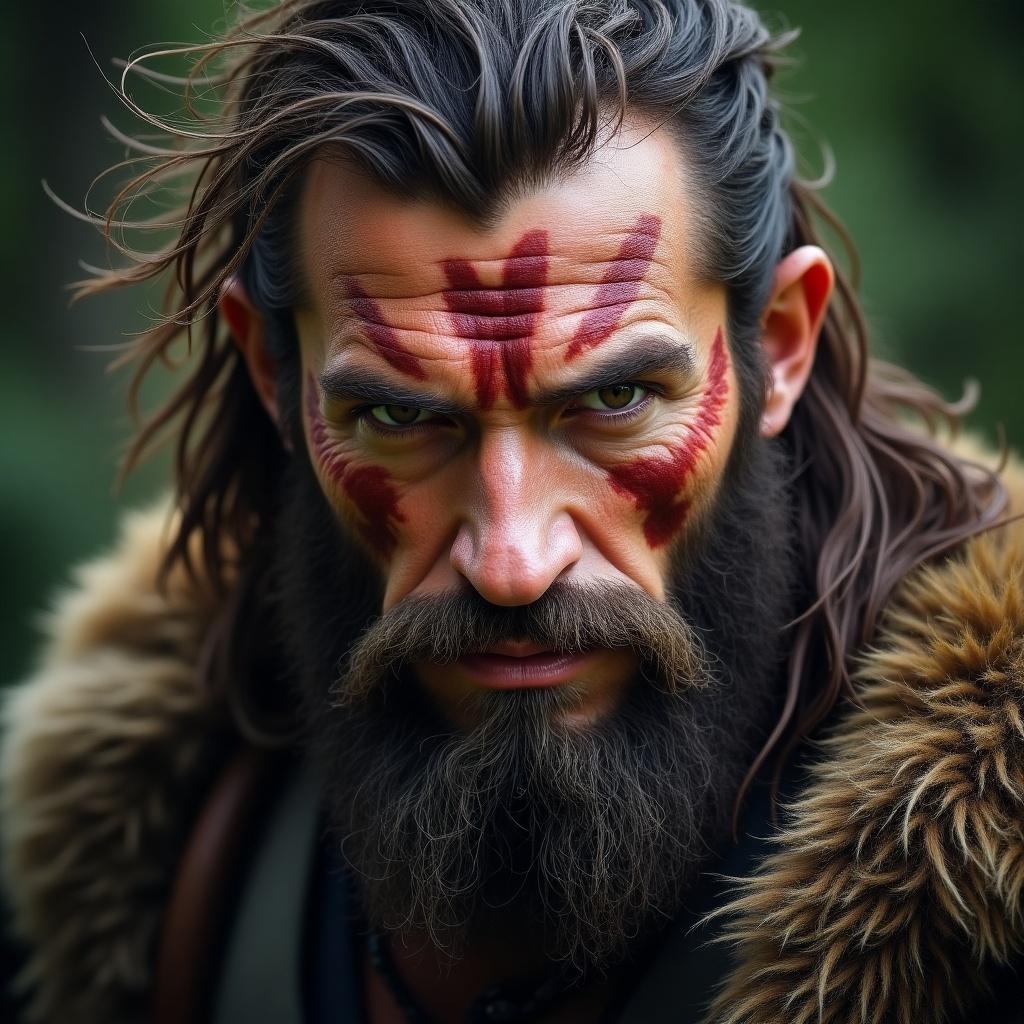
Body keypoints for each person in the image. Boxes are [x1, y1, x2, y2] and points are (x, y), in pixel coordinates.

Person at [2, 0, 1023, 1021]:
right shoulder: (170, 853)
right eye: (400, 414)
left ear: (783, 342)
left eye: (613, 400)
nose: (511, 559)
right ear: (276, 371)